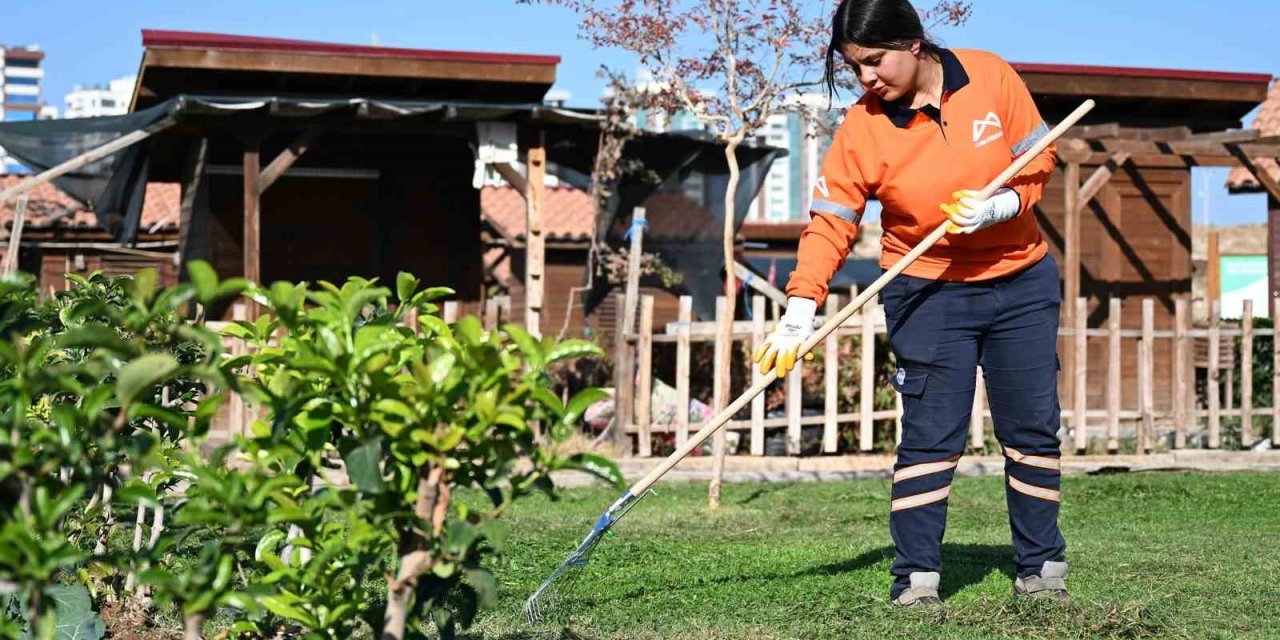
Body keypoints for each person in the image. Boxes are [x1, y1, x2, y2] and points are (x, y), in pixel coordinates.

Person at [751, 0, 1068, 607]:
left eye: (875, 61)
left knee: (1031, 429)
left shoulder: (990, 75)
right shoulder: (863, 126)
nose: (866, 77)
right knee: (931, 434)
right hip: (925, 289)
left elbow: (1040, 156)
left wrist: (1003, 205)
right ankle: (917, 579)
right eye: (854, 67)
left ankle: (1042, 569)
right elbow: (832, 221)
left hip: (1020, 281)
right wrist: (799, 311)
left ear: (913, 43)